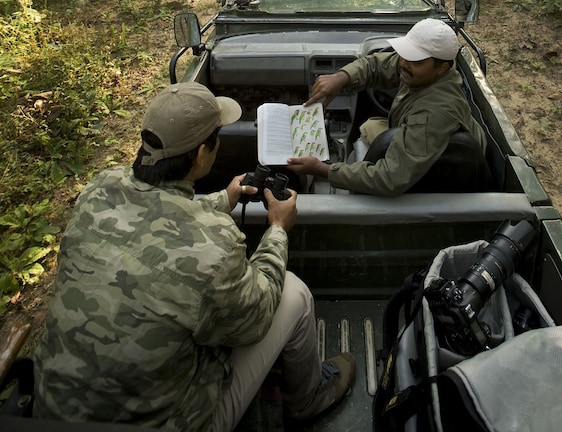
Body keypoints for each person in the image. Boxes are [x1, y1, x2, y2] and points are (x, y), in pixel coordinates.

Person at [33, 81, 355, 431]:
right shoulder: (213, 245)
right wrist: (278, 228)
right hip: (171, 423)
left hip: (52, 412)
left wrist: (223, 199)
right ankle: (309, 399)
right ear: (203, 154)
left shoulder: (99, 189)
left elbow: (152, 213)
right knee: (292, 291)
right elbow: (256, 316)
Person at [288, 18, 486, 196]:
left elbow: (390, 178)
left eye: (415, 60)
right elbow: (376, 66)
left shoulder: (434, 113)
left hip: (445, 170)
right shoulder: (422, 69)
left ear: (441, 67)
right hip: (421, 143)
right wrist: (341, 77)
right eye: (404, 55)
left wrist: (323, 170)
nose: (404, 63)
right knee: (371, 126)